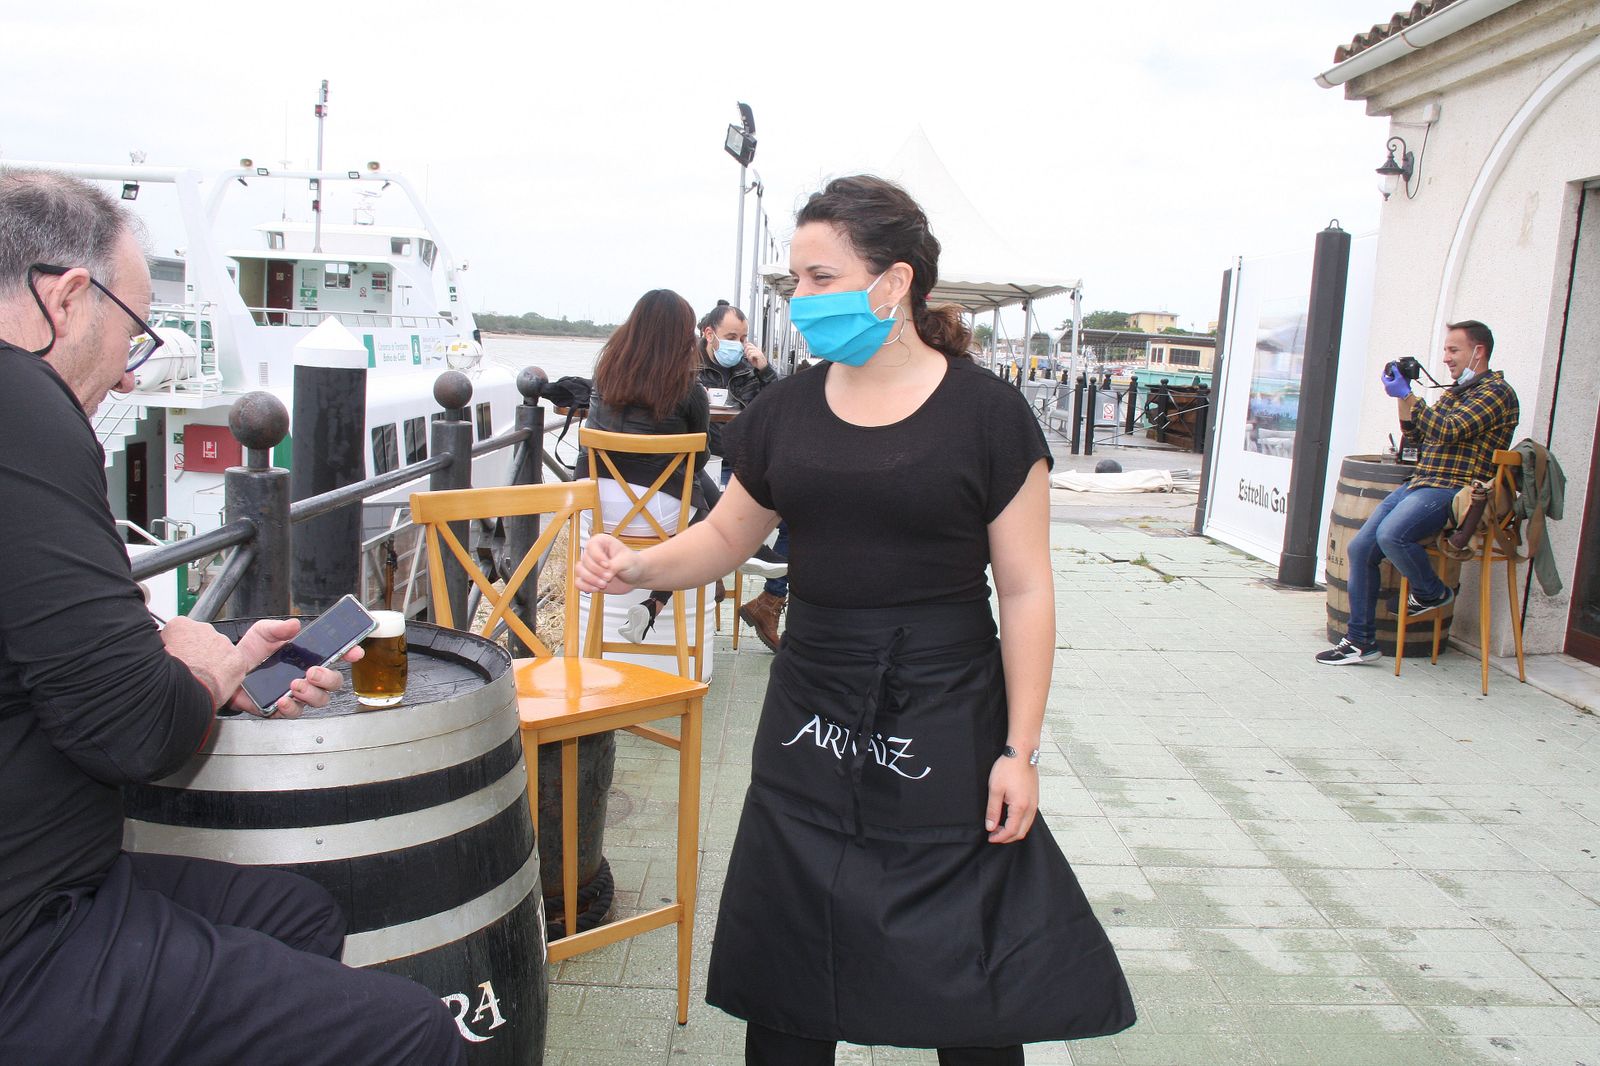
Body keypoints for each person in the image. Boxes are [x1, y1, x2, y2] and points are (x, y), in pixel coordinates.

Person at [578, 175, 1134, 1064]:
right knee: (796, 964)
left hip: (949, 711)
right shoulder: (785, 410)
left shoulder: (989, 416)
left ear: (893, 283)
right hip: (812, 704)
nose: (799, 301)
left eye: (819, 278)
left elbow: (1027, 590)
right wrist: (637, 564)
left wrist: (1018, 753)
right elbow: (725, 537)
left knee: (969, 970)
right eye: (795, 280)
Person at [0, 169, 463, 1065]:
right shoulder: (23, 406)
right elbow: (134, 733)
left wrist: (208, 667)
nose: (129, 371)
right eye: (133, 334)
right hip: (28, 935)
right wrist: (196, 664)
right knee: (411, 1035)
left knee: (298, 912)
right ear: (65, 299)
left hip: (58, 873)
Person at [1317, 320, 1520, 665]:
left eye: (1453, 350)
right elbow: (1416, 434)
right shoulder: (1455, 393)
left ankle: (1432, 592)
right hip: (1422, 483)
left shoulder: (1497, 393)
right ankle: (1360, 642)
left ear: (1479, 351)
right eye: (1445, 350)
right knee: (1361, 547)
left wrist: (1409, 396)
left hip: (1457, 490)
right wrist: (1402, 394)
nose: (1446, 358)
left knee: (1393, 535)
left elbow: (1448, 430)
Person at [578, 289, 714, 643]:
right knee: (707, 515)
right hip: (660, 511)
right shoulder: (690, 390)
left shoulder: (604, 377)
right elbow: (697, 460)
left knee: (702, 497)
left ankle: (648, 608)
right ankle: (656, 602)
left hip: (599, 509)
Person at [696, 300, 789, 648]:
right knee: (712, 508)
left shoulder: (750, 371)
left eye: (744, 336)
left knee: (796, 513)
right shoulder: (687, 369)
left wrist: (765, 370)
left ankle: (769, 600)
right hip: (703, 465)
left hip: (743, 465)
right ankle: (714, 567)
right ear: (710, 334)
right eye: (731, 336)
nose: (739, 342)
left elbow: (783, 406)